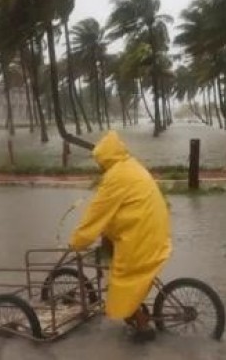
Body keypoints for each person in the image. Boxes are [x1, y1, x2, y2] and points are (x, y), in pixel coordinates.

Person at [69, 131, 172, 343]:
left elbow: (96, 214)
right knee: (127, 275)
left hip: (141, 237)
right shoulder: (131, 166)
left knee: (121, 282)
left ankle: (143, 327)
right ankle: (135, 309)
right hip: (154, 231)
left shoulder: (116, 177)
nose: (99, 166)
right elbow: (118, 210)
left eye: (100, 162)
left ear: (106, 158)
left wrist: (77, 242)